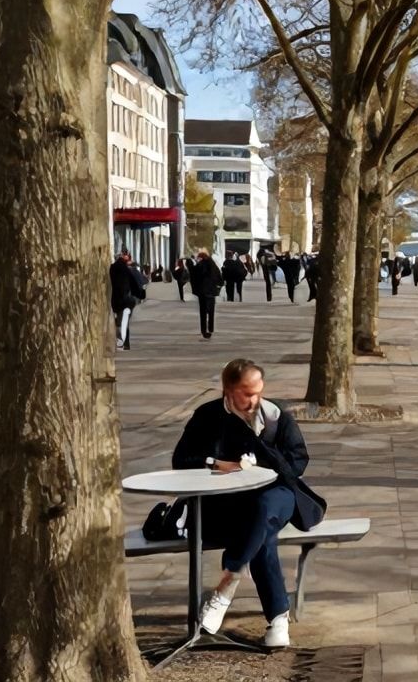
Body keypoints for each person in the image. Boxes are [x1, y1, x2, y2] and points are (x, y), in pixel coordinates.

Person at [172, 359, 326, 650]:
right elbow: (181, 460)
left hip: (278, 495)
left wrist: (264, 460)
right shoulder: (208, 416)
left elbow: (298, 462)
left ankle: (226, 587)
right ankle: (278, 621)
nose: (254, 400)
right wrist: (216, 463)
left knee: (264, 510)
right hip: (228, 503)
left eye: (258, 392)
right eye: (247, 393)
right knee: (260, 531)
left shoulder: (275, 416)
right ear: (228, 390)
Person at [109, 251, 146, 351]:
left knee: (119, 321)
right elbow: (133, 285)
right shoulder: (126, 270)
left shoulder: (112, 268)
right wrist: (141, 294)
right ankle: (125, 343)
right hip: (126, 300)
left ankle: (122, 343)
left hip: (115, 300)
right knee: (124, 322)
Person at [190, 249, 223, 339]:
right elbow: (219, 277)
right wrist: (218, 285)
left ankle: (204, 330)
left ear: (201, 258)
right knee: (211, 311)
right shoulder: (213, 265)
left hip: (202, 292)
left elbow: (194, 276)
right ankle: (211, 328)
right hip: (211, 291)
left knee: (203, 311)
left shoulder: (199, 266)